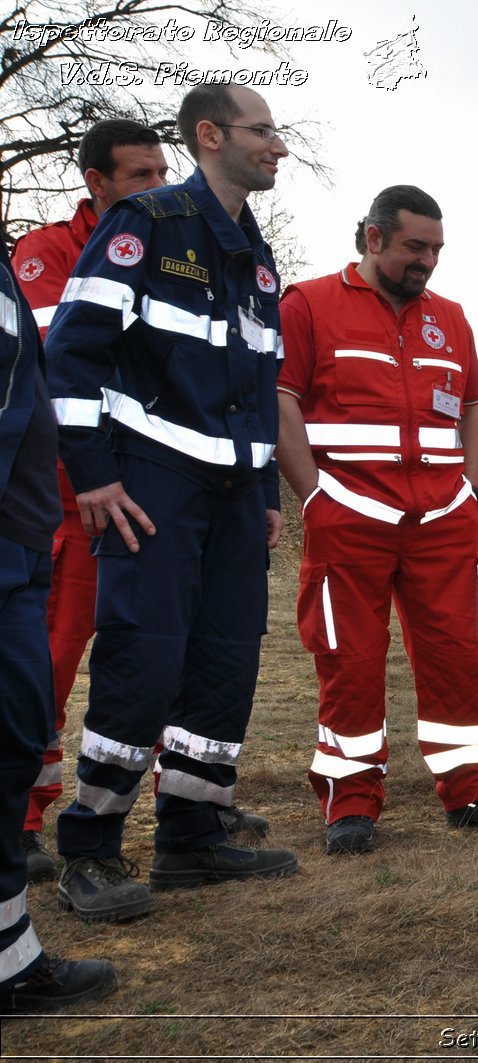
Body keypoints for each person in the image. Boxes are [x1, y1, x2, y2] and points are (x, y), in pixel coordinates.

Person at [47, 84, 298, 923]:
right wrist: (91, 472)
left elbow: (259, 382)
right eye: (264, 132)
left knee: (226, 662)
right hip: (151, 485)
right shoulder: (146, 224)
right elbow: (73, 354)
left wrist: (264, 491)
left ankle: (191, 834)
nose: (279, 147)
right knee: (143, 661)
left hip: (234, 499)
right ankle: (90, 845)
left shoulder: (257, 257)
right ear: (210, 134)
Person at [276, 185, 478, 855]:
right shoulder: (307, 305)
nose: (428, 261)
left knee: (456, 656)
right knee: (349, 662)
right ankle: (350, 802)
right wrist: (314, 496)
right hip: (350, 516)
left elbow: (474, 406)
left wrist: (471, 490)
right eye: (416, 247)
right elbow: (281, 402)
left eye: (437, 249)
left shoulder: (450, 316)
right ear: (373, 238)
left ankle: (472, 789)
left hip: (442, 521)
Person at [0, 237, 119, 1013]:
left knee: (16, 725)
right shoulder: (42, 256)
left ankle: (11, 958)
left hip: (25, 543)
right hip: (30, 538)